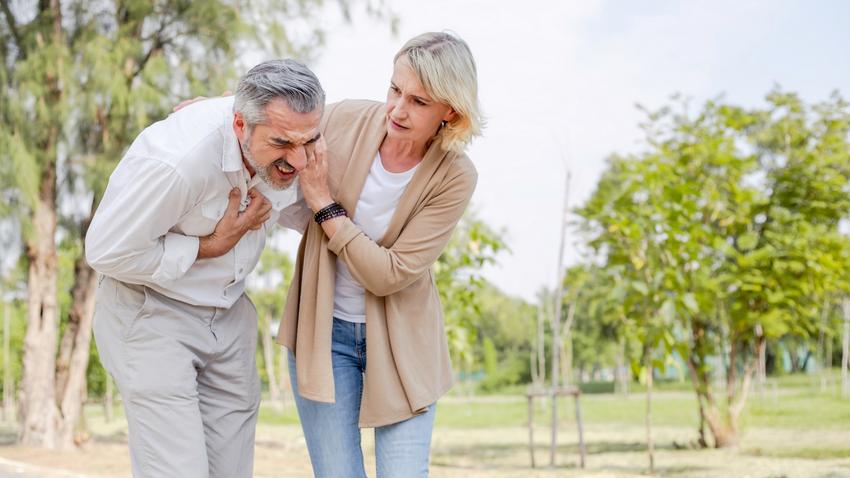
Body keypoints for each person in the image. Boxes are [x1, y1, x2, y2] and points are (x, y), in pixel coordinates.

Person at [85, 59, 325, 478]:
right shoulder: (178, 162)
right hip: (151, 315)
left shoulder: (289, 132)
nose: (299, 160)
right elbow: (106, 251)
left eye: (308, 141)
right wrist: (208, 246)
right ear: (239, 125)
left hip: (228, 317)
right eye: (282, 143)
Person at [278, 31, 483, 477]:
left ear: (450, 110)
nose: (398, 109)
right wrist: (215, 107)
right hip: (323, 335)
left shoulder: (455, 177)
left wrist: (324, 205)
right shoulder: (348, 118)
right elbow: (278, 118)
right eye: (395, 89)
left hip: (403, 344)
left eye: (419, 101)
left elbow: (390, 274)